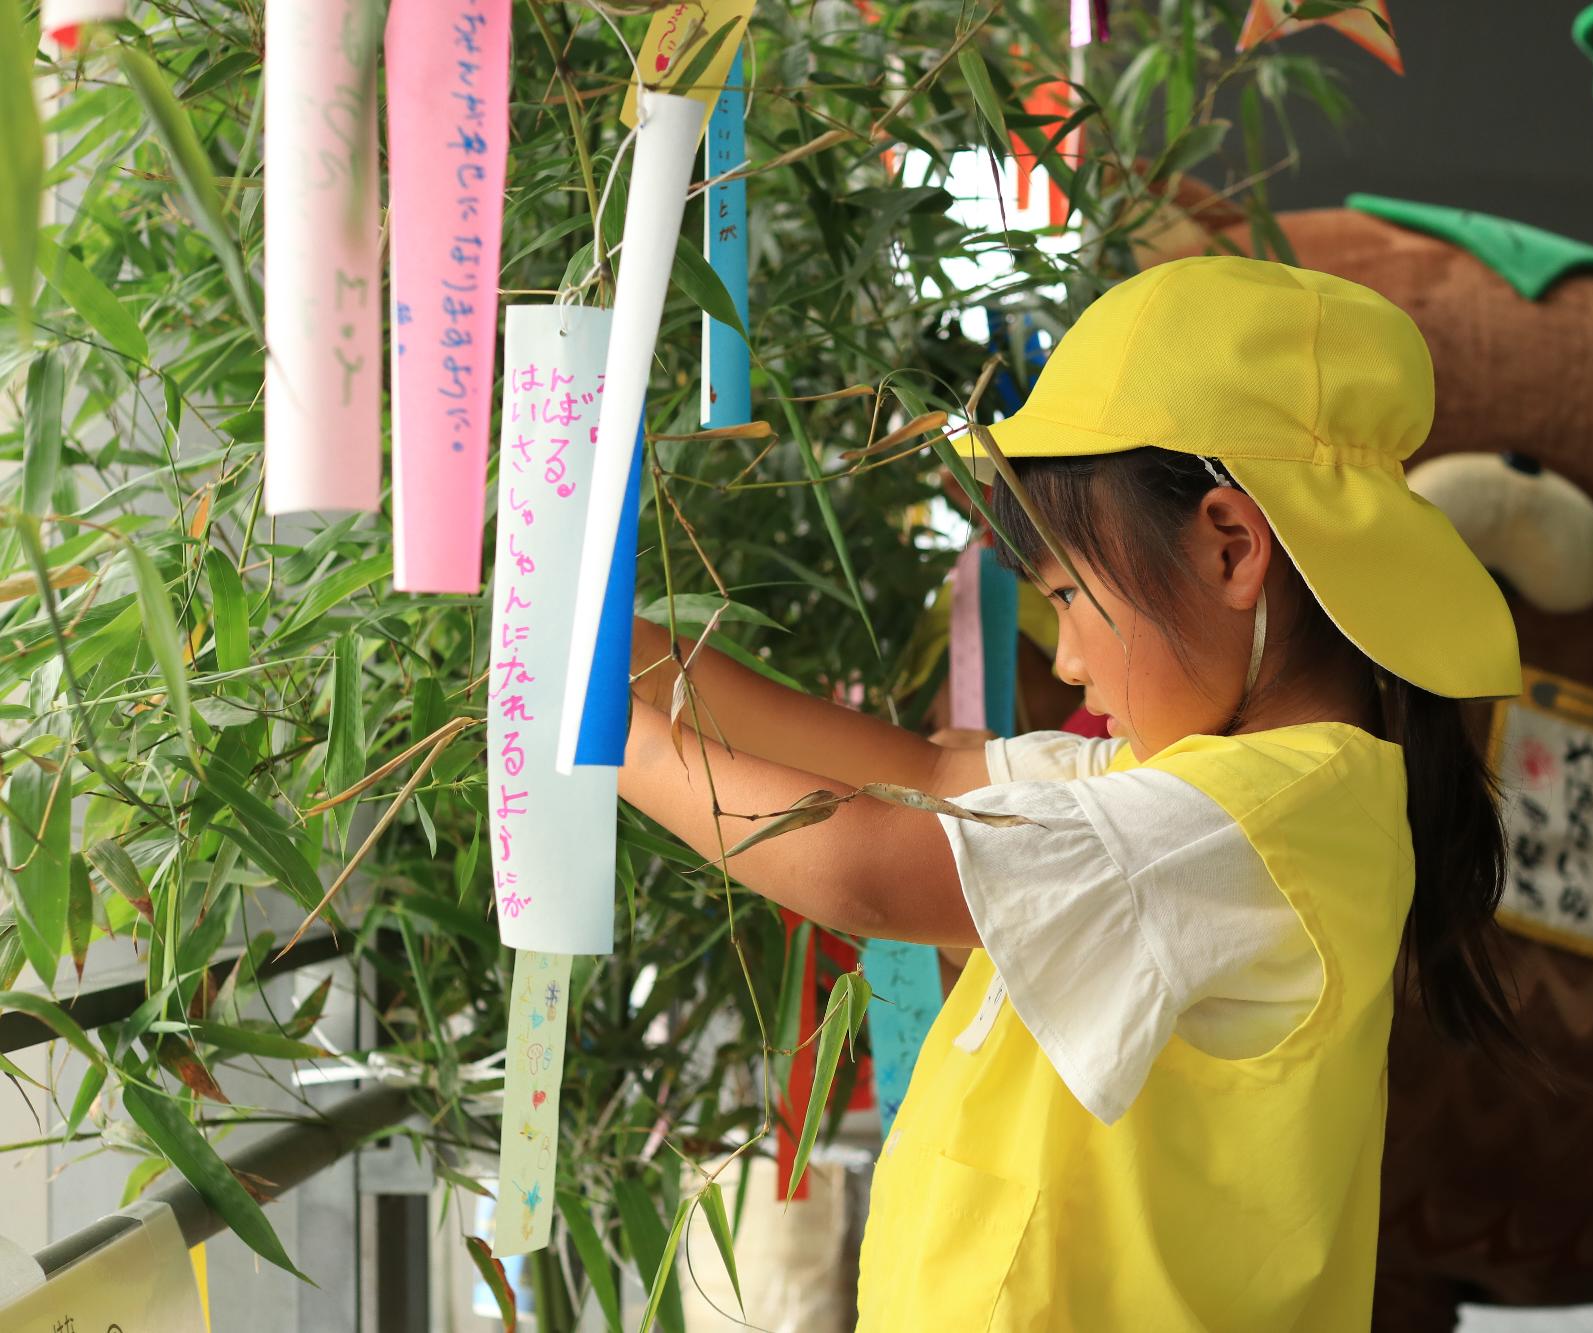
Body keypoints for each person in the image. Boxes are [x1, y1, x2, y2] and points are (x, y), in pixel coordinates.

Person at [617, 255, 1526, 1330]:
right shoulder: (1219, 790)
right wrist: (626, 656)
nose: (1073, 657)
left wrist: (591, 732)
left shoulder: (1247, 822)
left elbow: (856, 865)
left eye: (1069, 594)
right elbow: (924, 776)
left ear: (1231, 546)